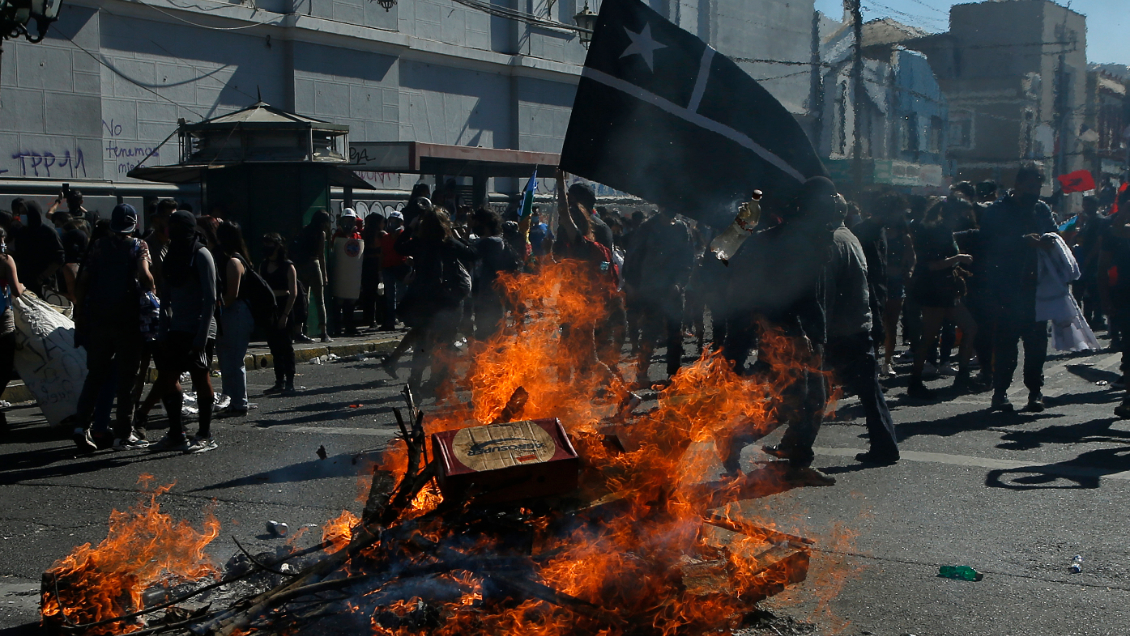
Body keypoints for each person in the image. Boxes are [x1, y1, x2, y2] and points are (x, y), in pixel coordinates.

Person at [723, 177, 837, 486]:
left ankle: (793, 461)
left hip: (795, 335)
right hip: (784, 335)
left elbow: (812, 297)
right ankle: (737, 441)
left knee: (807, 401)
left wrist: (817, 338)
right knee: (801, 401)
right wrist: (804, 337)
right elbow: (783, 297)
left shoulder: (806, 237)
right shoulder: (791, 241)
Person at [824, 196, 900, 465]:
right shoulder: (850, 237)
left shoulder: (834, 241)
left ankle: (795, 446)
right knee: (869, 391)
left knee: (812, 390)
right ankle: (885, 446)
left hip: (842, 329)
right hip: (859, 323)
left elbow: (829, 292)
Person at [71, 204, 154, 451]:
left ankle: (80, 425)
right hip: (127, 320)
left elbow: (83, 281)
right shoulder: (139, 246)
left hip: (98, 319)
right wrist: (151, 292)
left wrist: (79, 313)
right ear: (134, 224)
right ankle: (123, 433)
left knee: (95, 375)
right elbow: (145, 276)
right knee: (127, 378)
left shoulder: (98, 246)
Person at [981, 164, 1057, 412]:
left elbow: (1054, 235)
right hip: (1007, 287)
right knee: (1005, 344)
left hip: (1037, 289)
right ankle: (1000, 392)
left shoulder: (1041, 209)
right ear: (1018, 184)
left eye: (1038, 186)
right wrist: (1020, 242)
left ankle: (1035, 392)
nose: (1034, 191)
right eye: (1030, 186)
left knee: (1036, 345)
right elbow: (987, 243)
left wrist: (1051, 241)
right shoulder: (999, 210)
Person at [148, 211, 219, 454]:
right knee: (168, 378)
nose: (173, 232)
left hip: (200, 327)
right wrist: (163, 330)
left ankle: (205, 434)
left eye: (178, 227)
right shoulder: (171, 256)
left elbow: (211, 299)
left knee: (201, 378)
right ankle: (176, 433)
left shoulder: (201, 254)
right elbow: (165, 296)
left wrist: (201, 335)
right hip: (176, 327)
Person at [393, 203, 476, 391]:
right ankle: (439, 380)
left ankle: (415, 380)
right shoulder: (448, 243)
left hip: (424, 299)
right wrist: (459, 236)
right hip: (447, 300)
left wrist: (410, 228)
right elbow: (472, 253)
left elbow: (398, 247)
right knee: (446, 341)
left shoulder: (419, 242)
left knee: (423, 341)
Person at [905, 198, 983, 399]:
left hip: (945, 289)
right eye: (961, 215)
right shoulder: (934, 231)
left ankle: (963, 375)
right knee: (930, 335)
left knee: (970, 327)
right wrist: (959, 259)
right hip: (933, 290)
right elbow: (931, 265)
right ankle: (915, 381)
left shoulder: (943, 230)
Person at [622, 205, 695, 385]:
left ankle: (674, 374)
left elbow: (687, 260)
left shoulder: (681, 229)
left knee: (675, 334)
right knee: (649, 332)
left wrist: (679, 283)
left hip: (674, 291)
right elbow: (633, 257)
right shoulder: (646, 228)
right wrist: (631, 284)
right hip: (651, 289)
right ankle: (642, 372)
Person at [215, 220, 255, 417]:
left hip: (236, 312)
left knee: (234, 359)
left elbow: (232, 294)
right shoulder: (241, 258)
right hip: (237, 312)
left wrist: (217, 306)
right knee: (227, 359)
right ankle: (231, 399)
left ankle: (239, 402)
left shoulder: (233, 261)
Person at [470, 207, 521, 339]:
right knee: (490, 333)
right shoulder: (492, 241)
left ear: (484, 223)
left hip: (490, 295)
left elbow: (466, 252)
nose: (473, 226)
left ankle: (495, 357)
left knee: (490, 333)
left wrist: (464, 232)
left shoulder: (491, 242)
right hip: (486, 294)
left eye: (475, 222)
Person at [260, 233, 299, 395]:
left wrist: (285, 315)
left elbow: (293, 293)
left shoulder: (287, 266)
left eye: (270, 244)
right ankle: (279, 380)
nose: (267, 247)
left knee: (286, 346)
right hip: (270, 308)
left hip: (284, 307)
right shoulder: (263, 265)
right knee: (274, 347)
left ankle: (290, 380)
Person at [11, 199, 64, 298]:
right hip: (24, 282)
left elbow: (59, 258)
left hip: (44, 283)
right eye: (20, 213)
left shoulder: (48, 232)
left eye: (24, 213)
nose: (22, 216)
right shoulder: (21, 232)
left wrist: (42, 277)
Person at [293, 210, 332, 343]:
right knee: (319, 300)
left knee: (304, 299)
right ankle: (323, 332)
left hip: (301, 266)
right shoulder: (321, 234)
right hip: (314, 265)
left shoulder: (304, 230)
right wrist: (324, 273)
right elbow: (321, 255)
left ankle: (302, 329)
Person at [0, 227, 23, 435]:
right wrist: (24, 287)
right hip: (1, 315)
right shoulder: (6, 259)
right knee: (5, 363)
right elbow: (16, 290)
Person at [329, 209, 364, 337]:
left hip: (352, 273)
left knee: (350, 303)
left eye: (351, 220)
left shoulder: (357, 236)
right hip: (341, 272)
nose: (348, 222)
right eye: (346, 220)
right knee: (338, 301)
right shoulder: (338, 236)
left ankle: (350, 327)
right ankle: (337, 327)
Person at [379, 211, 408, 330]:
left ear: (401, 222)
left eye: (394, 221)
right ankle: (390, 322)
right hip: (388, 268)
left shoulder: (404, 236)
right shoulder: (385, 237)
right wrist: (379, 270)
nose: (391, 224)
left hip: (401, 268)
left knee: (403, 295)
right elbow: (382, 254)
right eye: (390, 221)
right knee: (390, 297)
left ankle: (406, 320)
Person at [360, 213, 385, 329]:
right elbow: (381, 253)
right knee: (379, 293)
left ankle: (370, 318)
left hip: (365, 265)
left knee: (368, 293)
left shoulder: (364, 234)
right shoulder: (381, 235)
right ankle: (379, 317)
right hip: (376, 264)